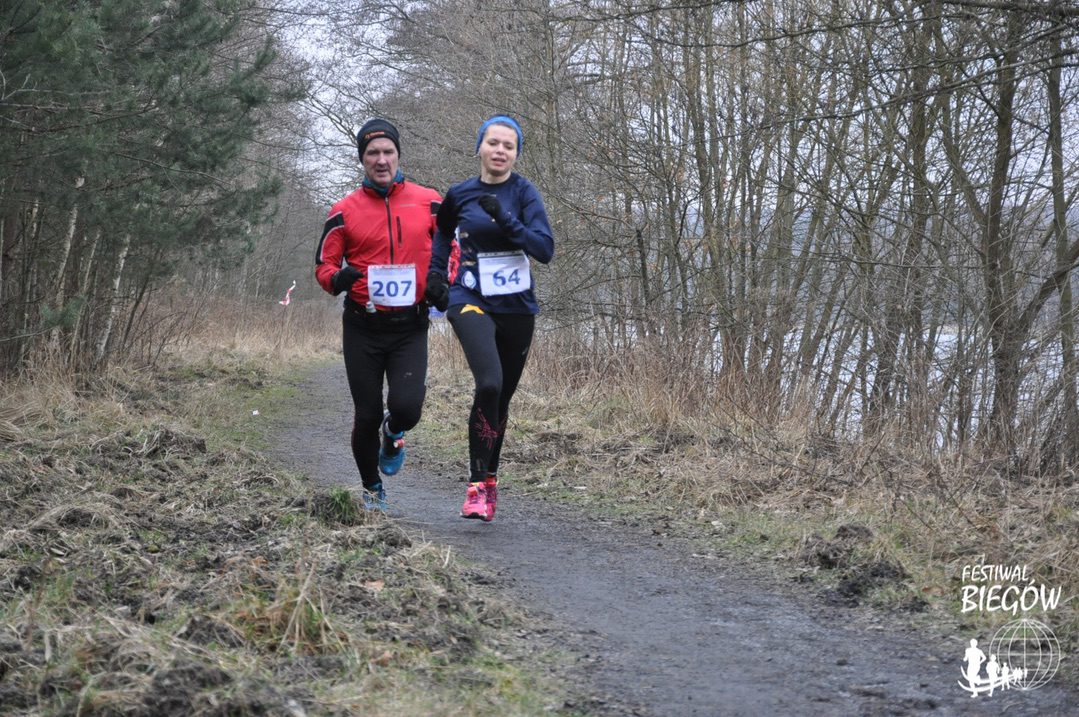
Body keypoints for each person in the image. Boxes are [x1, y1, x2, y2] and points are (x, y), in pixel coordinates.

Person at [425, 115, 555, 522]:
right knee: (489, 383)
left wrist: (506, 219)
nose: (500, 151)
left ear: (516, 154)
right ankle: (476, 485)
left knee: (500, 400)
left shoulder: (524, 193)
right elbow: (442, 232)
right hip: (469, 297)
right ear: (479, 146)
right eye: (493, 143)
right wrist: (435, 274)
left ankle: (491, 479)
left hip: (516, 308)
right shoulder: (460, 193)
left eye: (508, 146)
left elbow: (544, 250)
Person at [315, 118, 442, 511]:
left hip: (410, 326)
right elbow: (323, 266)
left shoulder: (429, 202)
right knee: (366, 414)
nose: (381, 160)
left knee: (407, 408)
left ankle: (395, 430)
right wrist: (338, 278)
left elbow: (452, 250)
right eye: (373, 153)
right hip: (363, 327)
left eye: (388, 151)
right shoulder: (343, 210)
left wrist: (442, 280)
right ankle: (372, 490)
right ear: (363, 159)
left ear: (399, 155)